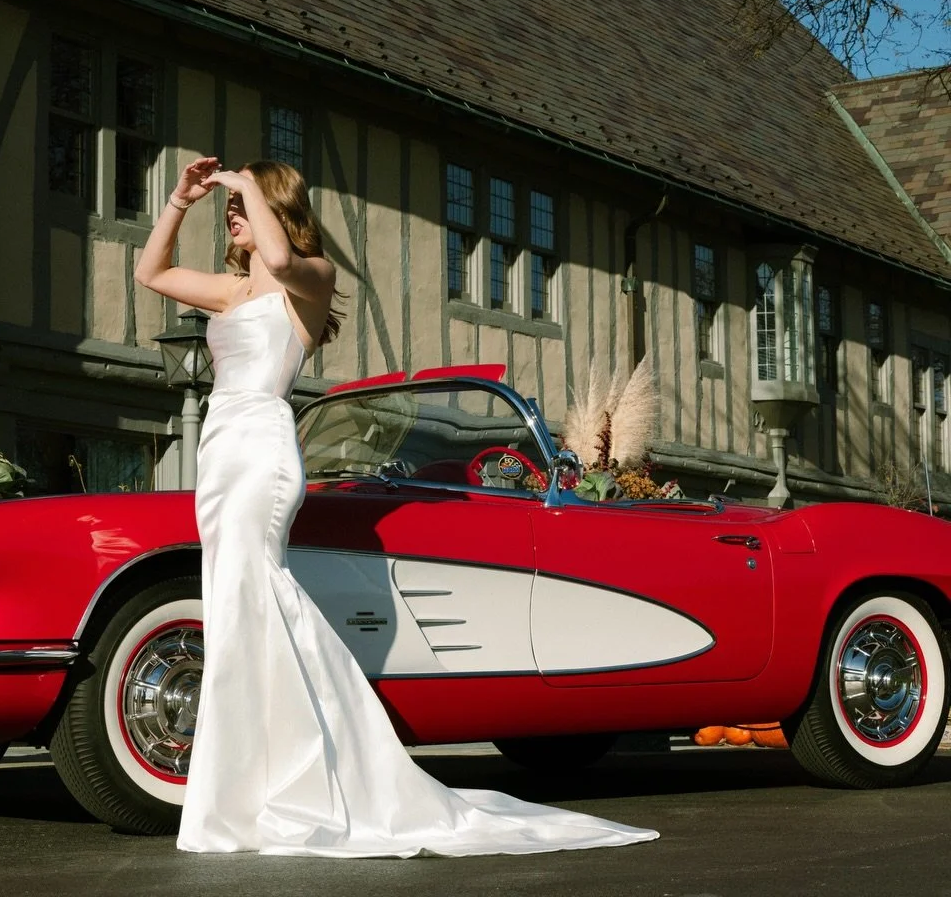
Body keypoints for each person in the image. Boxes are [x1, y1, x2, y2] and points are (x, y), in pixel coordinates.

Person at [134, 157, 658, 858]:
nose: (232, 215)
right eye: (230, 210)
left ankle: (300, 777)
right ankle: (248, 789)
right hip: (218, 455)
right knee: (231, 609)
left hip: (261, 449)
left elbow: (285, 255)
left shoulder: (310, 280)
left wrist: (250, 185)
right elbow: (151, 275)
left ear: (275, 204)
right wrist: (179, 199)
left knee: (255, 594)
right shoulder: (230, 294)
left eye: (244, 205)